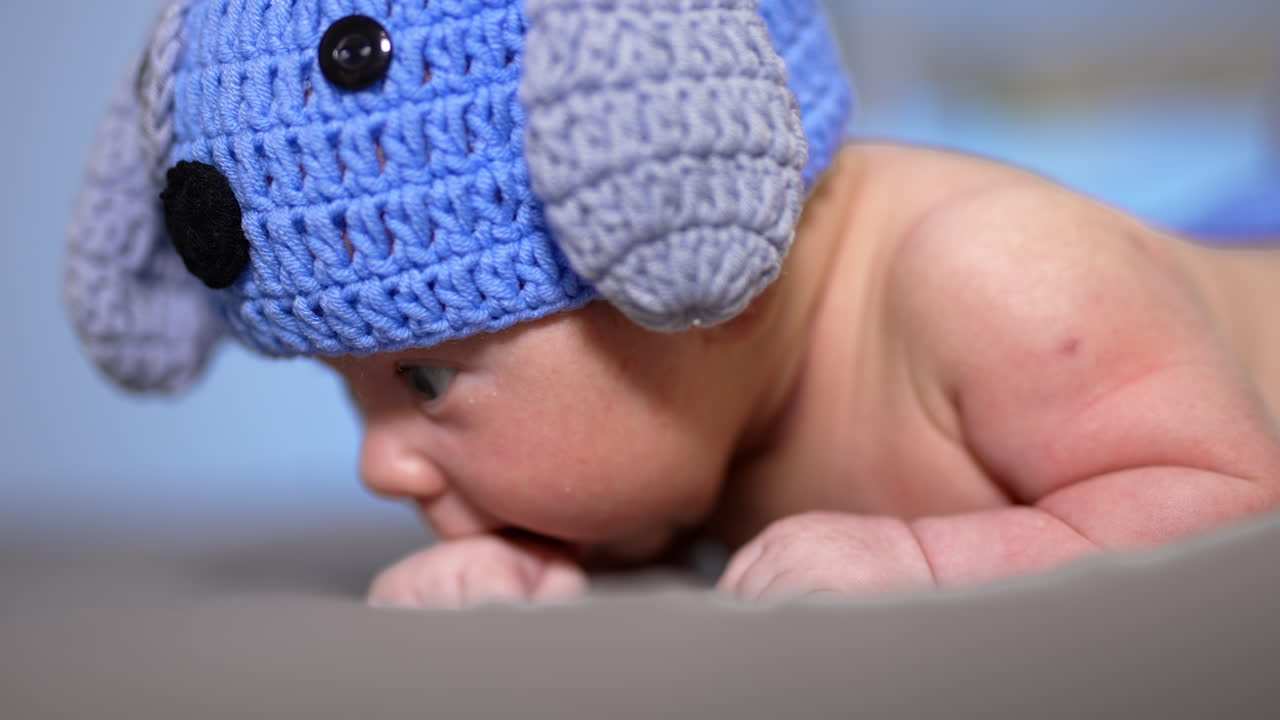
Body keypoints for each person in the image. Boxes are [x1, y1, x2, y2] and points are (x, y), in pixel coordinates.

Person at [66, 0, 1280, 608]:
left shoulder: (1000, 281)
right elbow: (641, 487)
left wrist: (925, 558)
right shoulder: (688, 410)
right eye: (354, 395)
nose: (380, 470)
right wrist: (538, 566)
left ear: (700, 278)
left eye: (422, 382)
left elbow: (1227, 488)